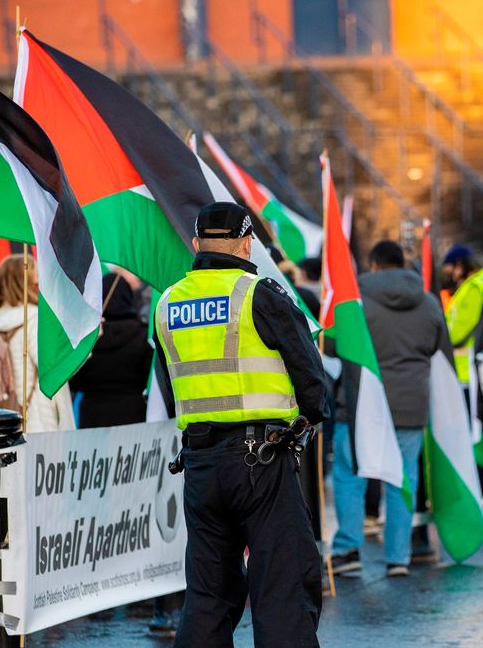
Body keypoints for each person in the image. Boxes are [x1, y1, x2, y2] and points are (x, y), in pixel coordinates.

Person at [156, 202, 327, 647]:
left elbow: (169, 385)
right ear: (247, 243)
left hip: (199, 463)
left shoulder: (167, 302)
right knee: (283, 586)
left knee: (210, 594)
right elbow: (310, 373)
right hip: (261, 462)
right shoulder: (258, 294)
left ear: (195, 245)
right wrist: (311, 414)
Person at [331, 241, 452, 578]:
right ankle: (399, 557)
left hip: (360, 403)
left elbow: (332, 343)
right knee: (403, 479)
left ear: (373, 265)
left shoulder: (355, 301)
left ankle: (347, 549)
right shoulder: (429, 302)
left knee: (350, 474)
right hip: (410, 405)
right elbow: (439, 350)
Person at [0, 255, 74, 433]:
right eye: (36, 282)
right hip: (38, 415)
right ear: (25, 284)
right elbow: (50, 366)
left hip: (1, 415)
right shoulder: (34, 318)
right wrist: (78, 347)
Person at [70, 272, 153, 428]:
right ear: (128, 296)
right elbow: (148, 377)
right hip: (132, 414)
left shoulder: (88, 338)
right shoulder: (142, 334)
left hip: (92, 416)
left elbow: (74, 380)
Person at [442, 245, 483, 387]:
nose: (450, 276)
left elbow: (455, 333)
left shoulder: (472, 288)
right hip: (479, 366)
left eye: (450, 270)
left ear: (460, 265)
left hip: (465, 370)